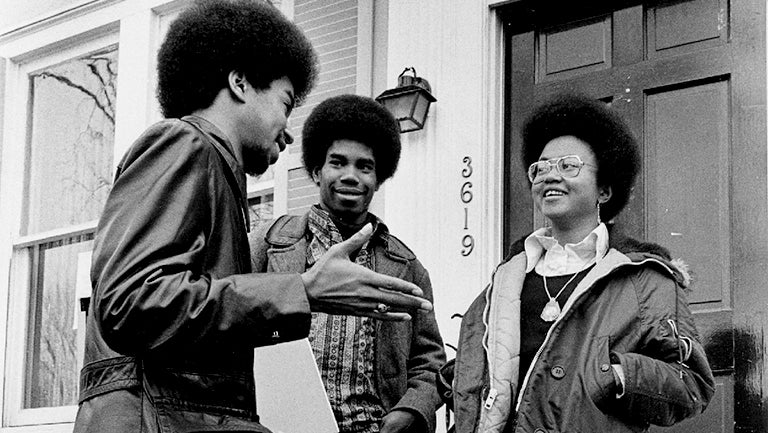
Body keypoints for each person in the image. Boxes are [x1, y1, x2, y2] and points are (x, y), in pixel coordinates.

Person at [74, 2, 432, 432]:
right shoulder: (183, 144)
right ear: (240, 83)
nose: (287, 130)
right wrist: (301, 291)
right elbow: (129, 301)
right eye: (285, 103)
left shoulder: (210, 168)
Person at [440, 93, 715, 432]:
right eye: (540, 168)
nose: (548, 176)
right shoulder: (506, 278)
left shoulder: (645, 280)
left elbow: (692, 383)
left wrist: (614, 375)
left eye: (568, 166)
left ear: (604, 190)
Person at [249, 94, 446, 433]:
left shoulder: (407, 266)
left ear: (378, 178)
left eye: (364, 166)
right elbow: (227, 314)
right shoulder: (268, 244)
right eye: (338, 163)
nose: (351, 176)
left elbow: (429, 364)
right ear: (316, 171)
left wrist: (411, 412)